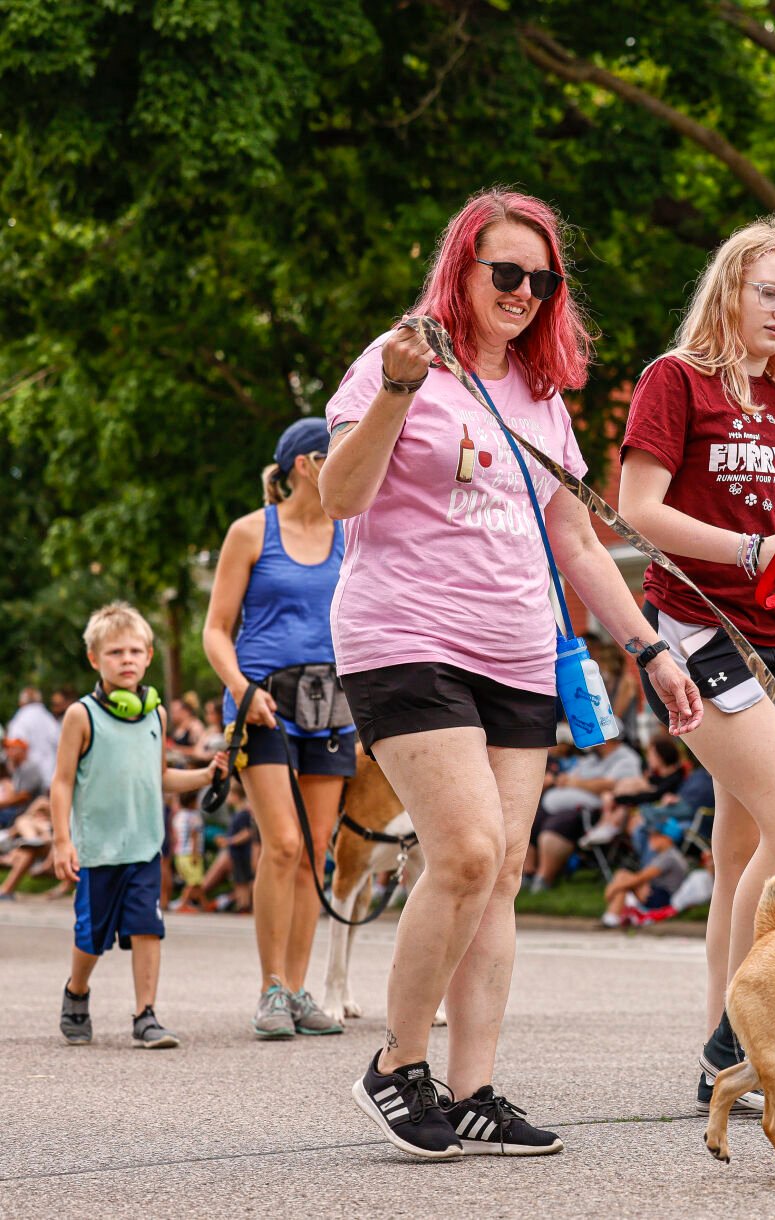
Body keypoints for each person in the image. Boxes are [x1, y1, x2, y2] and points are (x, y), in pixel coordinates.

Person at [319, 188, 701, 1159]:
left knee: (499, 876)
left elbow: (575, 538)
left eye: (542, 278)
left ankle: (472, 1084)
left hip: (519, 650)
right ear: (462, 267)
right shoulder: (399, 359)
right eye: (506, 272)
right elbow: (339, 496)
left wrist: (647, 648)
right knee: (466, 848)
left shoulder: (540, 395)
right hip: (407, 634)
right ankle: (396, 1063)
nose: (525, 291)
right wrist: (399, 391)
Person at [617, 217, 775, 1116]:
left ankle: (721, 1052)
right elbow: (636, 508)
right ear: (729, 288)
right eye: (770, 293)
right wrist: (750, 549)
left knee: (739, 855)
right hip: (699, 626)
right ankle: (741, 1043)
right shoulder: (674, 381)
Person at [203, 417, 356, 1041]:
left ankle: (296, 990)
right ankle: (270, 987)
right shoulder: (250, 532)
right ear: (305, 464)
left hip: (334, 700)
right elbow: (215, 630)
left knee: (316, 852)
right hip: (262, 699)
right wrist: (243, 690)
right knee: (284, 844)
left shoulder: (353, 533)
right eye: (337, 454)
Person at [51, 603, 226, 1049]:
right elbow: (62, 783)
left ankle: (145, 1014)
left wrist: (205, 774)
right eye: (115, 652)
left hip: (146, 846)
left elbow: (160, 777)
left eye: (135, 651)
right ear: (94, 659)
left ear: (149, 656)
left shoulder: (156, 714)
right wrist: (61, 840)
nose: (126, 659)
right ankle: (77, 991)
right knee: (91, 937)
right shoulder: (81, 716)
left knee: (148, 928)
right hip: (97, 850)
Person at [530, 737, 644, 887]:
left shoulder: (626, 758)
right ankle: (527, 874)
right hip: (560, 806)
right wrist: (572, 782)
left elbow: (612, 785)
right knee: (530, 821)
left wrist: (576, 783)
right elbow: (570, 778)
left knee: (555, 827)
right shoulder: (592, 758)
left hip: (592, 813)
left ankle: (544, 879)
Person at [601, 820, 691, 927]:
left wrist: (612, 887)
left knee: (623, 878)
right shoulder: (666, 854)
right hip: (658, 893)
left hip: (663, 898)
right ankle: (612, 917)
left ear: (668, 838)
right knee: (623, 877)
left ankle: (612, 916)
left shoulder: (669, 857)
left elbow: (641, 877)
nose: (650, 839)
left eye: (656, 836)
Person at [7, 688, 61, 778]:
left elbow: (16, 749)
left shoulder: (20, 719)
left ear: (21, 702)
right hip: (50, 776)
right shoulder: (50, 720)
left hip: (29, 779)